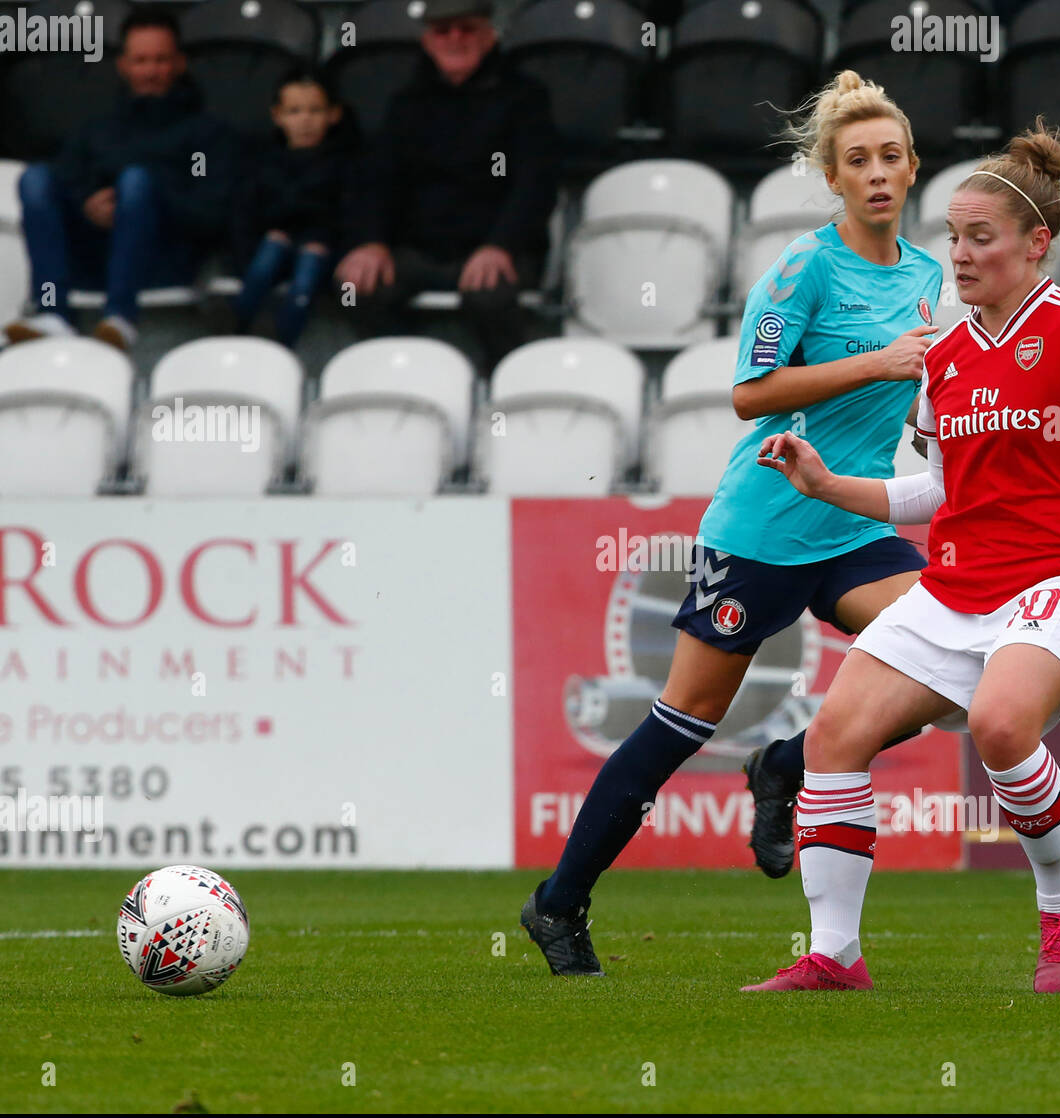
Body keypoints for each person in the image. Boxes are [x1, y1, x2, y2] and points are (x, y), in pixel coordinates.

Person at [743, 120, 1060, 994]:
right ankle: (834, 955)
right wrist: (826, 484)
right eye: (953, 237)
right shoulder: (945, 357)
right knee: (832, 737)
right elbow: (937, 494)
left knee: (1004, 725)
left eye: (980, 238)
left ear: (1036, 243)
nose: (958, 256)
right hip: (957, 583)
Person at [520, 71, 943, 976]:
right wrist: (877, 364)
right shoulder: (802, 268)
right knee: (683, 720)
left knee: (956, 668)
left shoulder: (924, 274)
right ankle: (558, 903)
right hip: (762, 529)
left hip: (853, 522)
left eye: (891, 157)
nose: (876, 174)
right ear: (832, 177)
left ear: (914, 169)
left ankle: (788, 763)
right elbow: (751, 395)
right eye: (857, 160)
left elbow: (899, 395)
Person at [333, 0, 558, 370]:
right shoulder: (406, 102)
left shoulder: (526, 98)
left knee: (490, 297)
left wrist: (500, 246)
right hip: (421, 249)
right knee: (353, 290)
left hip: (499, 246)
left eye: (466, 29)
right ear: (427, 41)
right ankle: (407, 376)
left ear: (489, 36)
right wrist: (369, 242)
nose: (455, 38)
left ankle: (505, 383)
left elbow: (535, 184)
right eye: (443, 31)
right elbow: (378, 179)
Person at [3, 7, 237, 351]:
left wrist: (141, 198)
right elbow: (67, 176)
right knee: (35, 178)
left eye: (161, 60)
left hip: (165, 258)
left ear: (179, 63)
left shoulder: (204, 138)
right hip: (96, 256)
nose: (151, 71)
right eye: (141, 60)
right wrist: (89, 205)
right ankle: (52, 310)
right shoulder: (98, 131)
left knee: (136, 182)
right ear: (123, 65)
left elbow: (208, 210)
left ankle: (121, 315)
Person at [229, 68, 352, 347]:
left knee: (307, 270)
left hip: (321, 253)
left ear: (334, 114)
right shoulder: (261, 163)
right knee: (268, 254)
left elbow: (349, 218)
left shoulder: (347, 164)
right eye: (295, 111)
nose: (305, 120)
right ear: (278, 116)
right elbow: (244, 216)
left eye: (315, 110)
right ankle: (235, 329)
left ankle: (282, 344)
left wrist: (326, 247)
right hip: (272, 247)